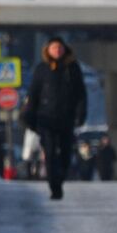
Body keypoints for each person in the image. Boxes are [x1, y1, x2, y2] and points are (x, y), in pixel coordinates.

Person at [22, 36, 87, 200]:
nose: (57, 51)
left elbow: (81, 94)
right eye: (54, 48)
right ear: (48, 50)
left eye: (60, 48)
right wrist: (29, 116)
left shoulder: (72, 68)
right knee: (49, 153)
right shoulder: (42, 69)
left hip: (66, 118)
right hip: (46, 118)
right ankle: (54, 187)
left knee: (65, 154)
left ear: (65, 49)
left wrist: (81, 114)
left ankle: (60, 177)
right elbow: (33, 94)